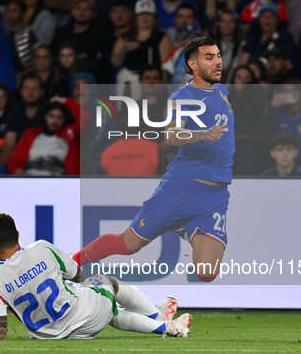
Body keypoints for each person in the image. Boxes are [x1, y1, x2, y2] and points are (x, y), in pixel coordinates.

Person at [73, 37, 232, 282]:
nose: (218, 61)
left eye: (218, 55)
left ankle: (182, 226)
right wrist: (202, 134)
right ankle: (74, 262)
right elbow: (171, 134)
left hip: (215, 195)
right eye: (209, 57)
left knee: (207, 273)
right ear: (193, 64)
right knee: (128, 244)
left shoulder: (222, 91)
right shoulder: (184, 96)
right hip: (182, 188)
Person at [0, 213, 191, 340]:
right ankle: (161, 319)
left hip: (50, 337)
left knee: (109, 310)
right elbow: (78, 276)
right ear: (17, 234)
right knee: (106, 281)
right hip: (87, 316)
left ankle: (163, 321)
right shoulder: (42, 248)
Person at [7, 101, 79, 176]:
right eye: (51, 116)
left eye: (60, 117)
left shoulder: (70, 137)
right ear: (45, 116)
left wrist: (65, 100)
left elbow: (85, 117)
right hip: (31, 181)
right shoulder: (31, 136)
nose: (55, 121)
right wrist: (16, 170)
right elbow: (14, 163)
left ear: (65, 119)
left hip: (58, 183)